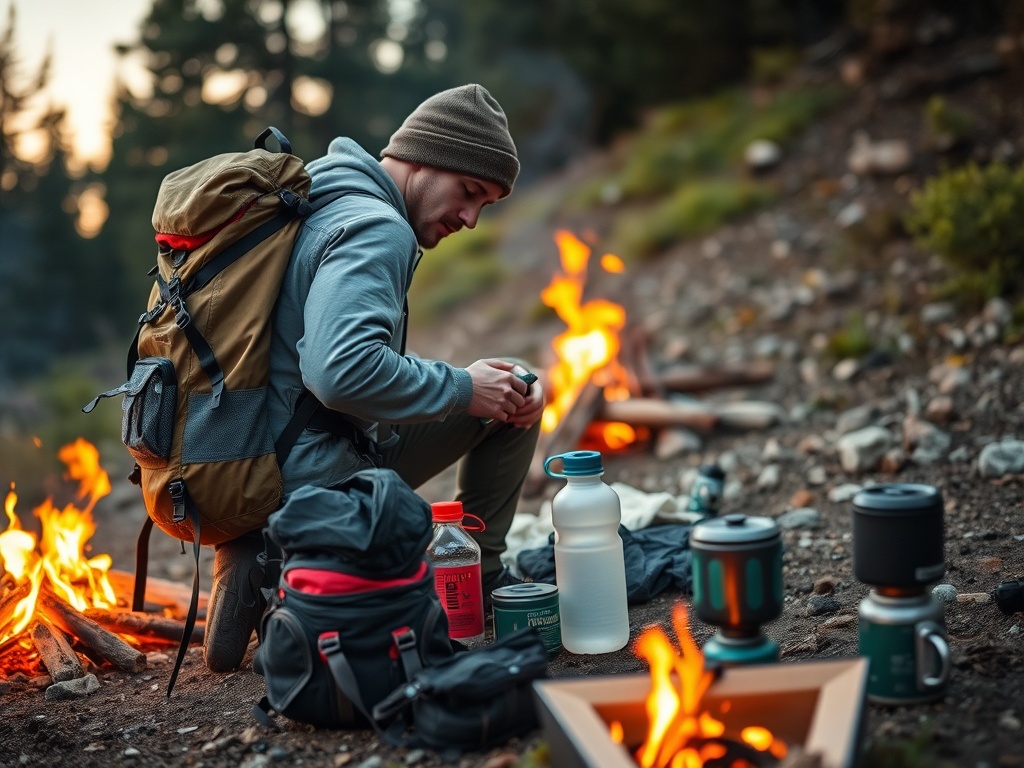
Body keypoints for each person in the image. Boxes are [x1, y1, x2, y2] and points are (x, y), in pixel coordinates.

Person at [202, 84, 545, 672]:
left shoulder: (323, 194)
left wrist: (467, 388)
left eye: (484, 205)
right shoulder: (375, 227)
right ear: (427, 156)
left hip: (242, 454)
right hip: (305, 471)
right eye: (469, 192)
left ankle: (266, 540)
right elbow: (339, 372)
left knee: (507, 390)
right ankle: (293, 561)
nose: (469, 218)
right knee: (504, 404)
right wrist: (464, 388)